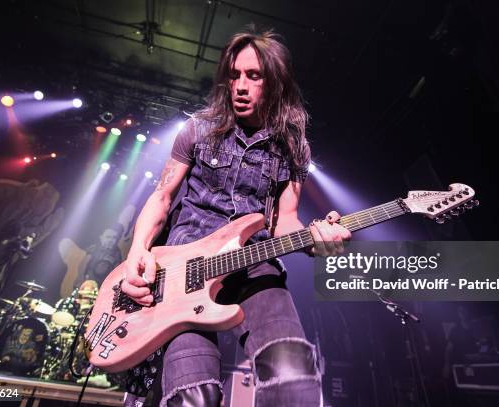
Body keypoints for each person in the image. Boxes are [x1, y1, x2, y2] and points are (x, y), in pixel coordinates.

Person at [121, 27, 351, 407]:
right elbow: (162, 197)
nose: (240, 85)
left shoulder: (293, 147)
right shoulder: (198, 129)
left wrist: (317, 240)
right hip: (183, 275)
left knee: (293, 377)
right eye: (234, 74)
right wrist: (137, 251)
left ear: (275, 83)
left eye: (254, 76)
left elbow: (284, 220)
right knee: (195, 396)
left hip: (252, 266)